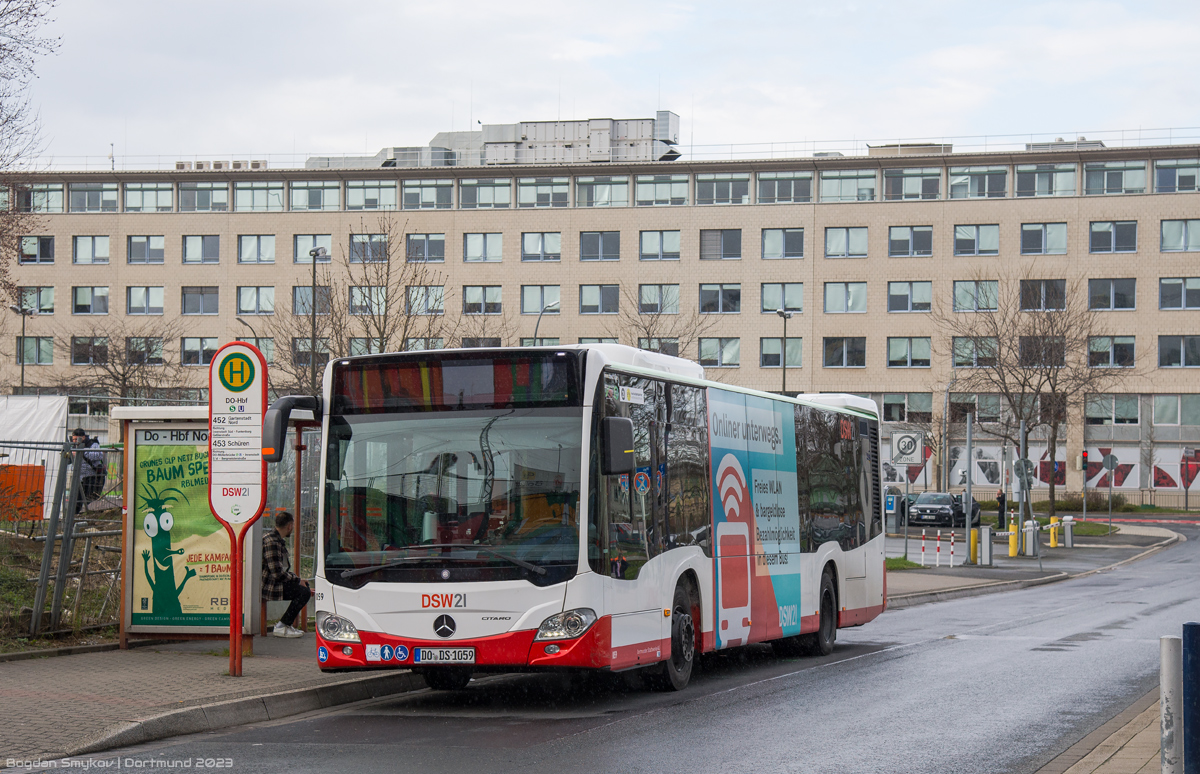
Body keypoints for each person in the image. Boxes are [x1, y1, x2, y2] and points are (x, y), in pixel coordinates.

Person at [262, 511, 311, 638]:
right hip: (269, 586)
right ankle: (282, 626)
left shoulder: (273, 539)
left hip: (270, 583)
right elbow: (277, 573)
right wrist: (297, 580)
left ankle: (285, 625)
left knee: (303, 588)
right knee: (303, 592)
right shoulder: (272, 542)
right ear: (289, 526)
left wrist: (297, 580)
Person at [70, 428, 106, 516]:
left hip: (93, 477)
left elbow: (98, 455)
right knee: (77, 500)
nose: (74, 441)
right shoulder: (73, 446)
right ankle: (74, 517)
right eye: (73, 439)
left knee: (90, 499)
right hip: (79, 478)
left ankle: (89, 516)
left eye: (76, 439)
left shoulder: (93, 444)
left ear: (83, 437)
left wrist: (81, 452)